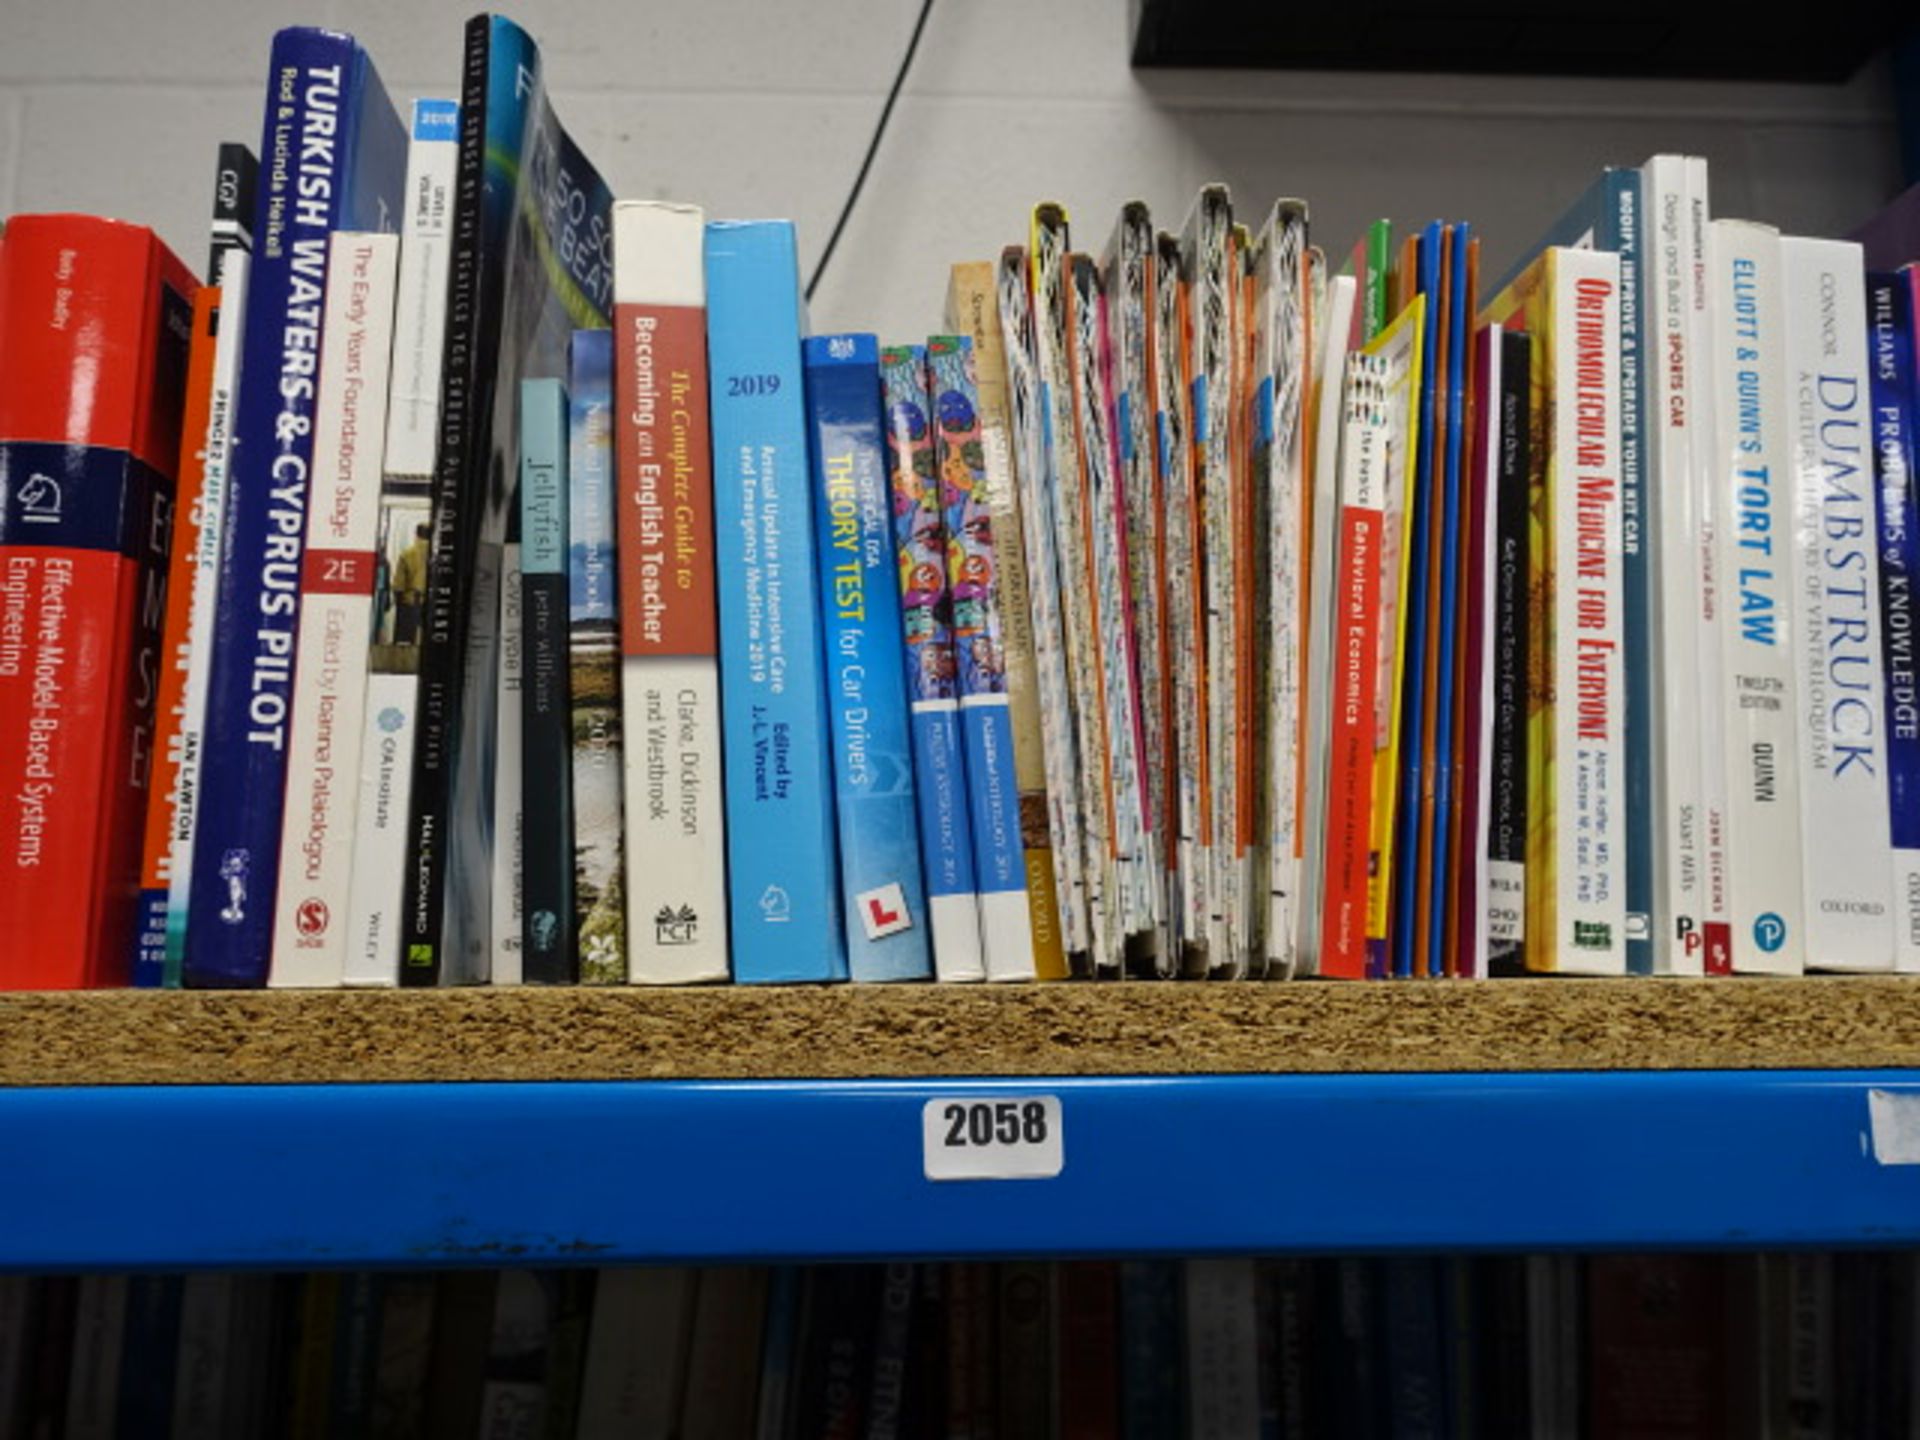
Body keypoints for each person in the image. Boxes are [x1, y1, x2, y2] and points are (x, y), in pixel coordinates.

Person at [392, 523, 431, 647]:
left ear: (416, 534)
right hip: (430, 600)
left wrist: (398, 599)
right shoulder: (437, 556)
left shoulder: (407, 554)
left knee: (406, 642)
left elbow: (399, 583)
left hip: (410, 601)